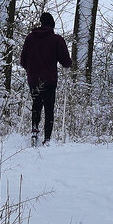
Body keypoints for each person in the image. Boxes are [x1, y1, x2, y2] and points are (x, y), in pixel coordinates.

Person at [19, 12, 73, 145]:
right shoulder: (57, 40)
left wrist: (31, 70)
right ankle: (47, 138)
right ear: (52, 25)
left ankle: (34, 131)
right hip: (49, 80)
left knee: (36, 104)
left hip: (33, 79)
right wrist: (69, 63)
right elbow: (65, 62)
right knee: (49, 108)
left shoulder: (30, 38)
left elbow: (22, 61)